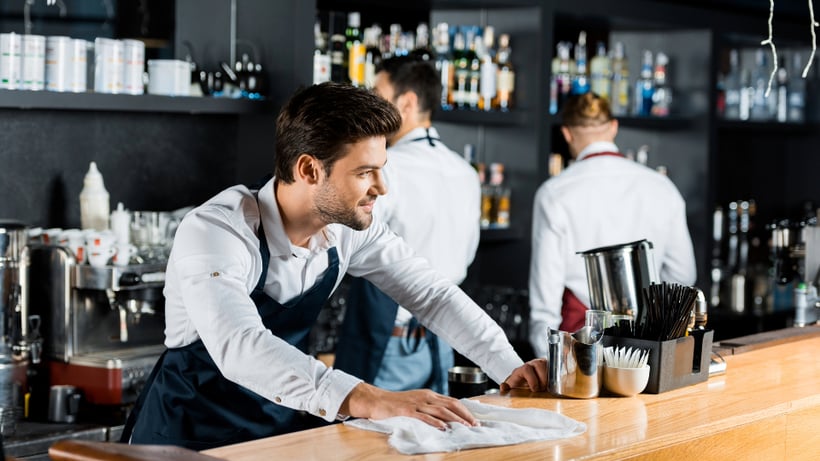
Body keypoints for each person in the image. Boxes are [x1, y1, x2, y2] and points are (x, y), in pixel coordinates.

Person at [122, 82, 545, 450]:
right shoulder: (217, 230)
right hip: (187, 438)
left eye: (381, 169)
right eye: (365, 172)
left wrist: (508, 366)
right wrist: (367, 397)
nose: (382, 188)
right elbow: (240, 346)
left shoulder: (350, 230)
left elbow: (430, 295)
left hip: (276, 434)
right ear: (308, 169)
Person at [333, 56, 480, 395]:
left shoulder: (388, 167)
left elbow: (354, 248)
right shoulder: (465, 172)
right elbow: (467, 256)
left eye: (377, 94)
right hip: (444, 338)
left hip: (388, 342)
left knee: (362, 443)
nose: (370, 105)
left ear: (408, 102)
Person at [528, 92, 697, 358]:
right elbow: (683, 276)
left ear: (567, 134)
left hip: (582, 345)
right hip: (650, 344)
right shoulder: (661, 187)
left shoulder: (554, 192)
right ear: (614, 127)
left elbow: (544, 300)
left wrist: (549, 363)